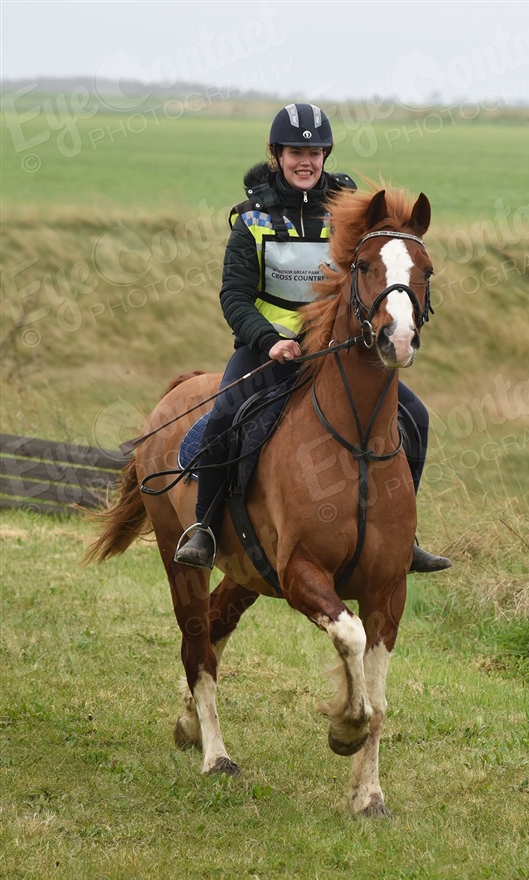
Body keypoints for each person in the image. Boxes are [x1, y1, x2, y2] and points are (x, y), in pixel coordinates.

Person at [175, 103, 450, 574]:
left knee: (417, 417)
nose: (306, 161)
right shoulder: (251, 221)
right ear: (276, 154)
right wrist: (268, 340)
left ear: (326, 155)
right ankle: (202, 528)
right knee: (223, 415)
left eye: (315, 152)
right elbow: (235, 298)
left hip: (336, 351)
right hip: (270, 351)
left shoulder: (350, 215)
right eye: (295, 152)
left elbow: (382, 263)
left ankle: (407, 533)